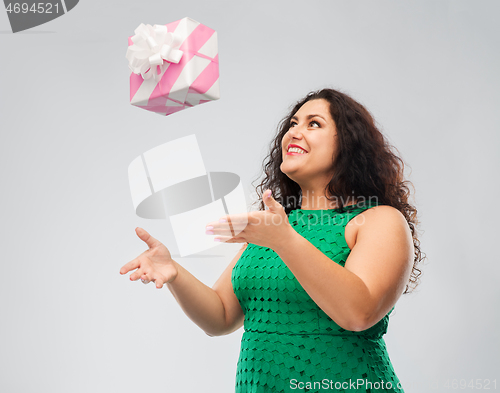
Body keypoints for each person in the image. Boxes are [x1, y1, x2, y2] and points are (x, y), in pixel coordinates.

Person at [119, 88, 425, 393]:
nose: (294, 132)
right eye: (292, 124)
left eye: (313, 124)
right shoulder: (275, 226)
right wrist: (174, 272)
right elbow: (221, 317)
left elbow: (358, 313)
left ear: (349, 144)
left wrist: (284, 240)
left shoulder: (378, 220)